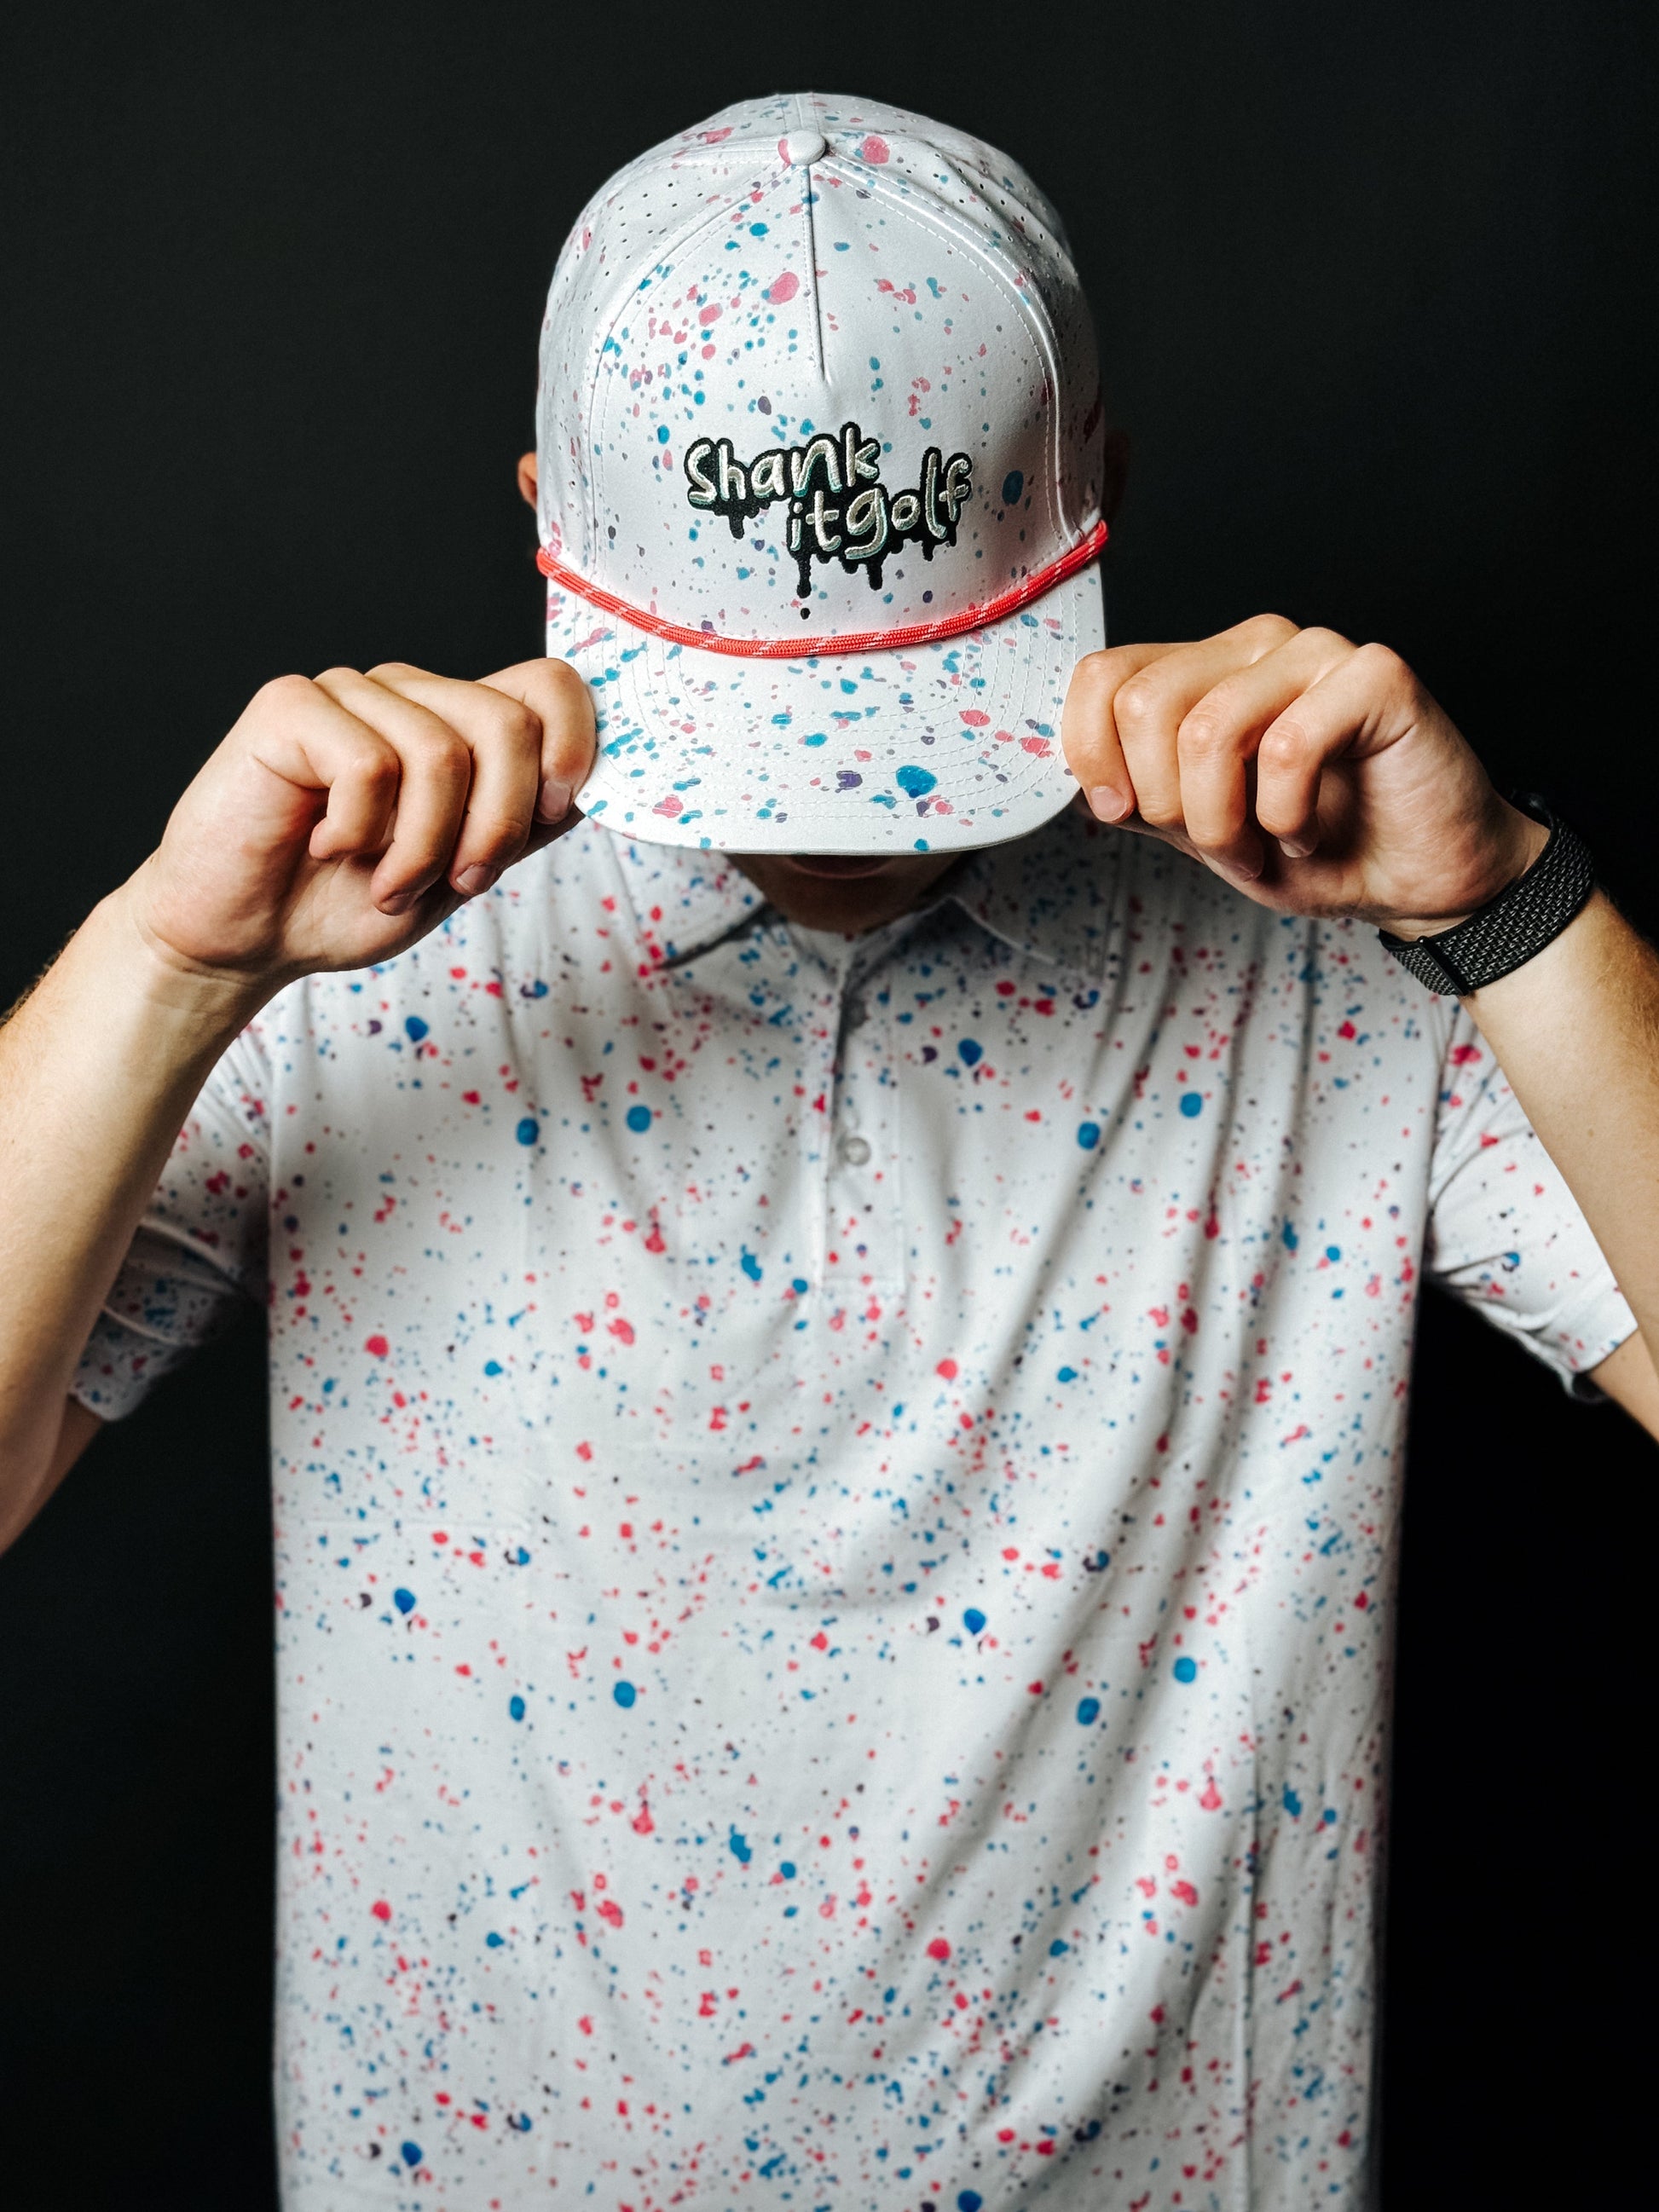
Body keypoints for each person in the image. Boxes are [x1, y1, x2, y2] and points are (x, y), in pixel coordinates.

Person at [2, 90, 1654, 2212]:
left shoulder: (1346, 945)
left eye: (896, 701)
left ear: (1103, 492)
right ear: (542, 522)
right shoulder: (341, 939)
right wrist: (163, 963)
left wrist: (1504, 902)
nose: (829, 816)